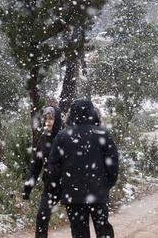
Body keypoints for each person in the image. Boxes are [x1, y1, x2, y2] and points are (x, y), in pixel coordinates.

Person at [46, 99, 118, 238]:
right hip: (98, 193)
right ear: (93, 113)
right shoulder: (103, 134)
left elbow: (53, 166)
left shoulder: (63, 136)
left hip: (73, 195)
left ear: (72, 114)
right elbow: (113, 165)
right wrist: (106, 184)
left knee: (79, 232)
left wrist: (58, 188)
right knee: (103, 229)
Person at [22, 105, 64, 238]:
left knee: (77, 221)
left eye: (51, 119)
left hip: (67, 185)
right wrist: (27, 188)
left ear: (56, 120)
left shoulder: (66, 137)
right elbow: (36, 166)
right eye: (45, 119)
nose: (47, 122)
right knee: (42, 216)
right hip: (50, 185)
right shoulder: (43, 139)